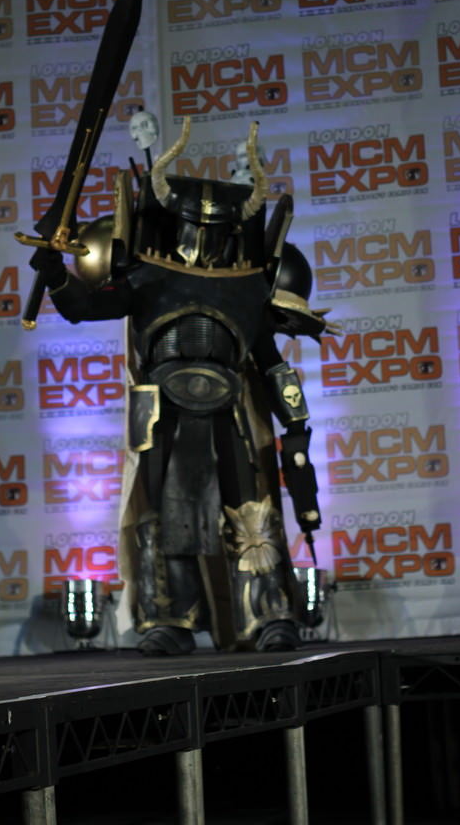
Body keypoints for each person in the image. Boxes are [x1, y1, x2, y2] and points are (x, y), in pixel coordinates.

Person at [31, 115, 331, 654]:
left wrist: (296, 427)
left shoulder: (249, 284)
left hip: (231, 409)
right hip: (160, 409)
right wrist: (55, 274)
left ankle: (266, 615)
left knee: (250, 512)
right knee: (160, 516)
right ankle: (170, 618)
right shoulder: (147, 275)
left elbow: (271, 363)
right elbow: (84, 307)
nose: (205, 236)